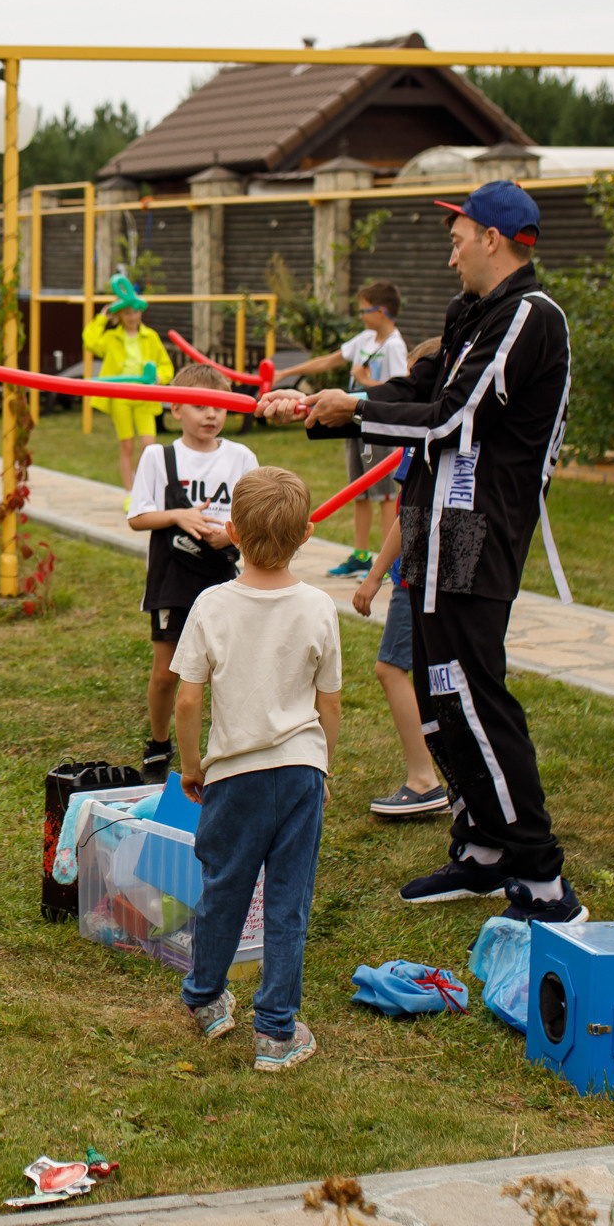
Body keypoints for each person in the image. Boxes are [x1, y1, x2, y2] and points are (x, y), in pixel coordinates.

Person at [262, 181, 583, 926]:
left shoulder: (530, 317)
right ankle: (482, 849)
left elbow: (453, 417)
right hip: (434, 524)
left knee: (472, 691)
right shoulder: (470, 314)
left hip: (478, 530)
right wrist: (323, 408)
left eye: (458, 236)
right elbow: (419, 386)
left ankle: (539, 876)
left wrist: (359, 409)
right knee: (439, 694)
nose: (451, 252)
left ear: (495, 239)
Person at [169, 466, 340, 1071]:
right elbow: (328, 703)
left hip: (232, 775)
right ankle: (276, 1033)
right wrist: (324, 769)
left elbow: (188, 699)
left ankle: (207, 1000)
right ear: (309, 533)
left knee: (225, 889)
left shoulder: (211, 605)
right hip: (299, 772)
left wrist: (191, 765)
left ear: (233, 531)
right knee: (288, 901)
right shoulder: (319, 607)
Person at [125, 362, 257, 784]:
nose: (211, 415)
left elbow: (253, 516)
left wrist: (232, 538)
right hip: (172, 577)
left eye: (219, 406)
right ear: (174, 408)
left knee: (226, 667)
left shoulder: (241, 457)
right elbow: (138, 517)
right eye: (200, 405)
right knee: (167, 670)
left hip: (223, 577)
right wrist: (179, 516)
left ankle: (228, 744)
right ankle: (160, 743)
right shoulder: (158, 457)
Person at [273, 281, 408, 577]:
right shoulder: (365, 339)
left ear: (382, 311)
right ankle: (360, 556)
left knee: (383, 493)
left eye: (365, 311)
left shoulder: (395, 346)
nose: (361, 316)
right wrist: (287, 372)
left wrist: (365, 380)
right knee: (358, 490)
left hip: (378, 425)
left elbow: (400, 391)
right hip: (353, 423)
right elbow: (329, 360)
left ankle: (387, 563)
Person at [351, 456, 447, 819]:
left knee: (390, 668)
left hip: (417, 573)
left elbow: (411, 511)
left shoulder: (424, 435)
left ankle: (424, 780)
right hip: (445, 571)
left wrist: (373, 576)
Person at [81, 276, 174, 490]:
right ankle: (129, 491)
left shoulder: (150, 337)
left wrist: (160, 377)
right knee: (127, 446)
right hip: (121, 396)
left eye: (136, 311)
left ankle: (139, 483)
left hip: (145, 397)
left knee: (149, 446)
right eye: (128, 313)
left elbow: (165, 365)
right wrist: (102, 319)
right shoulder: (112, 338)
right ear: (121, 315)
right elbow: (90, 341)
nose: (133, 317)